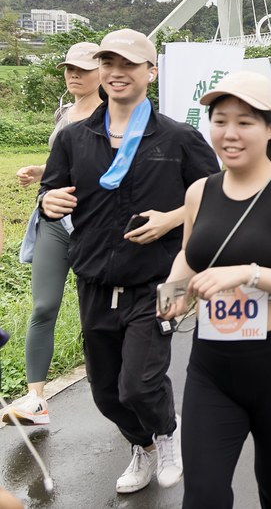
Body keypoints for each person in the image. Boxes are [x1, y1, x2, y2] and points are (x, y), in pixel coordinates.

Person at [38, 29, 220, 494]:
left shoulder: (179, 137)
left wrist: (172, 218)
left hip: (159, 278)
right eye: (109, 64)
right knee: (105, 392)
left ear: (150, 72)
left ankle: (168, 433)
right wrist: (47, 202)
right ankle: (141, 443)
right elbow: (51, 191)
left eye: (129, 65)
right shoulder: (74, 138)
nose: (116, 73)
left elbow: (219, 197)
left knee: (139, 384)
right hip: (95, 278)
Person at [157, 71, 271, 508]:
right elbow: (190, 256)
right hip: (212, 366)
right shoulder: (200, 192)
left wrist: (247, 274)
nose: (229, 133)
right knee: (203, 494)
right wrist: (172, 295)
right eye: (220, 121)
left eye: (244, 122)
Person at [4, 43, 103, 426]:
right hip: (54, 219)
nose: (73, 74)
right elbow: (65, 163)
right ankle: (35, 399)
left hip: (95, 223)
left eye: (82, 68)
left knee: (100, 313)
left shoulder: (114, 116)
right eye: (68, 68)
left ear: (102, 72)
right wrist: (41, 172)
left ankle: (120, 389)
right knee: (44, 306)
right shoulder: (63, 112)